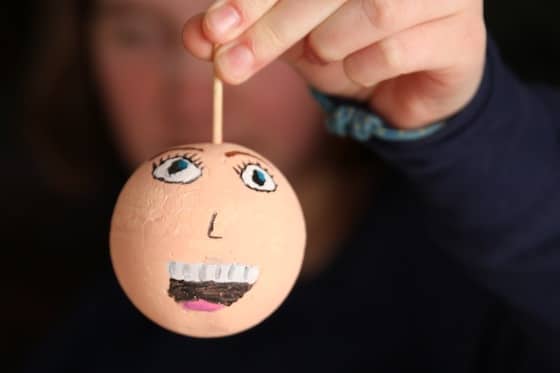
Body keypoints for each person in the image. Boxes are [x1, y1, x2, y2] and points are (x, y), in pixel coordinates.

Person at [21, 0, 560, 371]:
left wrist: (464, 125)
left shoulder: (483, 290)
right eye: (135, 34)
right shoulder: (67, 330)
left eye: (252, 35)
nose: (189, 91)